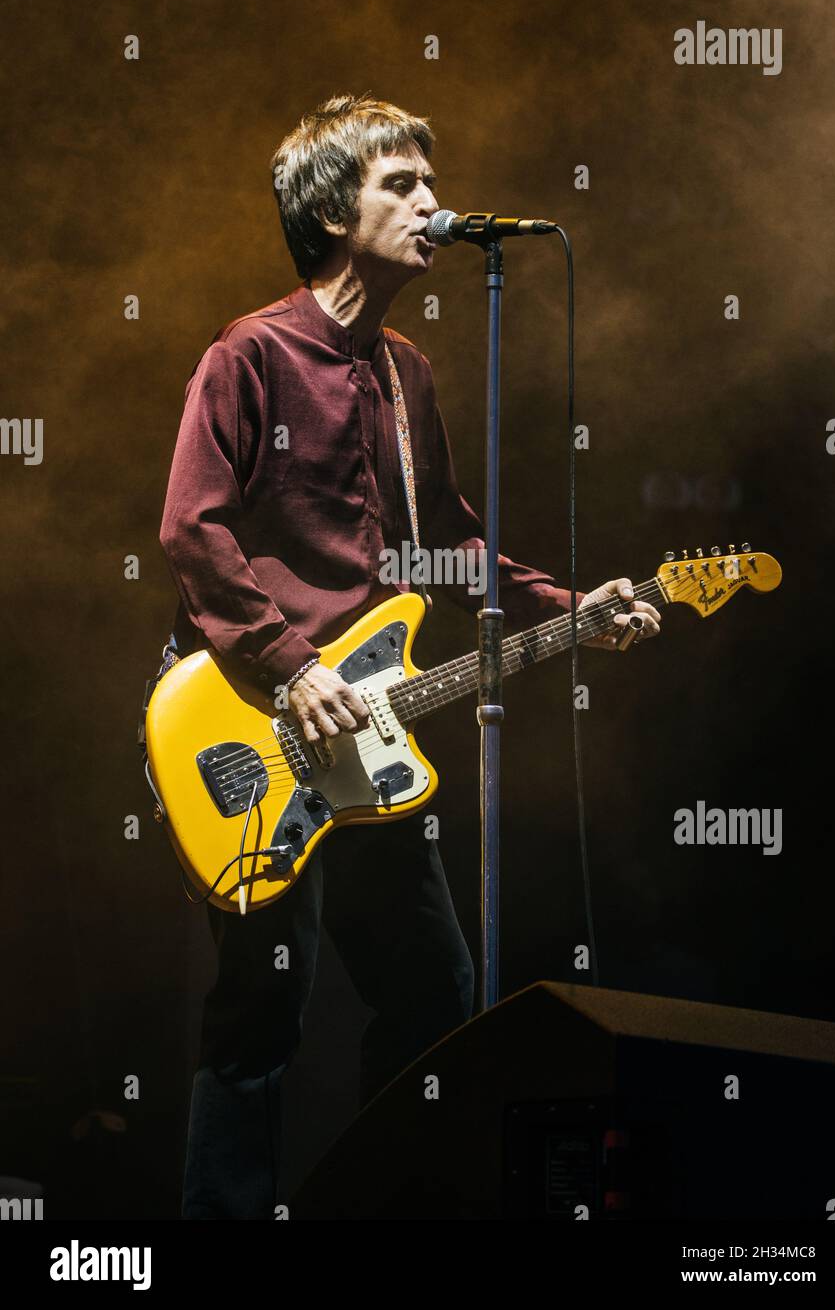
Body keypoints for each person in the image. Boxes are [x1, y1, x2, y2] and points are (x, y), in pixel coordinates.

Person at [158, 93, 662, 1219]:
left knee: (437, 989)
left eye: (431, 183)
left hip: (371, 734)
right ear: (333, 209)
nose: (434, 202)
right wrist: (292, 665)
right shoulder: (250, 353)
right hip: (256, 718)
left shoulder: (406, 373)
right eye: (403, 183)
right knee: (258, 1017)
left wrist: (576, 604)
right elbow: (192, 526)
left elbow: (451, 543)